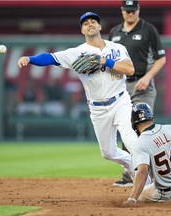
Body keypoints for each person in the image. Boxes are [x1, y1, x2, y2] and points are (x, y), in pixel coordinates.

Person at [17, 12, 138, 176]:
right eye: (86, 23)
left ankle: (148, 179)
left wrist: (105, 61)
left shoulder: (117, 48)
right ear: (82, 30)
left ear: (100, 26)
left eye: (93, 21)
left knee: (130, 139)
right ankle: (131, 165)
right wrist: (29, 59)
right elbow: (50, 58)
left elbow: (130, 70)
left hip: (120, 101)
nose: (90, 24)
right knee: (108, 153)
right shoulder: (76, 53)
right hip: (98, 108)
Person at [108, 0, 166, 187]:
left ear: (138, 10)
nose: (131, 14)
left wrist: (148, 76)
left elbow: (161, 58)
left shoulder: (148, 29)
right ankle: (129, 174)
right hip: (122, 86)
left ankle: (153, 171)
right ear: (122, 11)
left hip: (143, 85)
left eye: (133, 11)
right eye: (128, 11)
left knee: (143, 126)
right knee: (127, 127)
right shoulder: (114, 33)